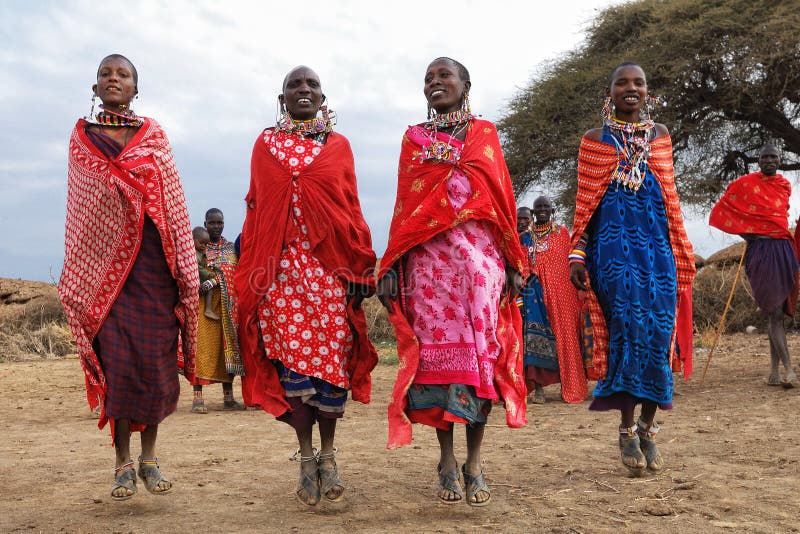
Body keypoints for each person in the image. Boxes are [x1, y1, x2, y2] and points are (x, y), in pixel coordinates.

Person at [377, 57, 529, 506]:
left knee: (480, 363)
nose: (435, 83)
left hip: (481, 268)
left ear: (466, 85)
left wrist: (515, 263)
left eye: (444, 76)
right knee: (438, 367)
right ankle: (446, 459)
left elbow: (503, 199)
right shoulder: (414, 140)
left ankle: (475, 462)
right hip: (429, 271)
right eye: (428, 78)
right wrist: (389, 266)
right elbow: (405, 208)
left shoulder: (485, 134)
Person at [234, 66, 378, 506]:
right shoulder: (265, 146)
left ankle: (329, 454)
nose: (303, 90)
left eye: (311, 85)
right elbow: (258, 209)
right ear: (282, 99)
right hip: (279, 277)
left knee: (330, 368)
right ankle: (305, 457)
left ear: (322, 97)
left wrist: (360, 268)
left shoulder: (339, 147)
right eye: (295, 85)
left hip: (330, 275)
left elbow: (350, 207)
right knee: (293, 370)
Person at [58, 54, 199, 500]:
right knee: (118, 367)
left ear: (136, 88)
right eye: (105, 74)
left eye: (123, 74)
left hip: (155, 268)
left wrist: (184, 271)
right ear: (95, 86)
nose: (113, 79)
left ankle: (150, 459)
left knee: (156, 367)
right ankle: (122, 464)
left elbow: (172, 201)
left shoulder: (153, 136)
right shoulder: (82, 140)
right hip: (106, 279)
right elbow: (83, 210)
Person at [569, 62, 695, 476]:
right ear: (609, 91)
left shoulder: (660, 139)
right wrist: (577, 255)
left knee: (659, 338)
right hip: (613, 258)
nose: (631, 88)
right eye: (622, 83)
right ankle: (626, 430)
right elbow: (585, 207)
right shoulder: (594, 141)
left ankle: (647, 426)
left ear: (647, 91)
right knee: (627, 334)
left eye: (638, 83)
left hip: (658, 253)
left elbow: (671, 201)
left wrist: (682, 249)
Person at [709, 143, 800, 388]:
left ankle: (773, 371)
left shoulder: (784, 186)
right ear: (758, 161)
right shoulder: (746, 184)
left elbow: (779, 217)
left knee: (777, 313)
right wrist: (747, 234)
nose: (769, 160)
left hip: (783, 249)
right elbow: (722, 209)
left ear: (780, 161)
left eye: (774, 157)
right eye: (765, 157)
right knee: (775, 313)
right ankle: (789, 370)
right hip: (760, 252)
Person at [520, 196, 588, 405]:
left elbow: (572, 263)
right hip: (535, 293)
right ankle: (538, 388)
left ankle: (570, 386)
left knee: (566, 337)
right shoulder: (525, 238)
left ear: (552, 210)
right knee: (535, 335)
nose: (542, 210)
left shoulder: (563, 234)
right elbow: (521, 264)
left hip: (562, 293)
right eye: (538, 207)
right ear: (533, 212)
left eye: (545, 207)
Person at [192, 208, 246, 413]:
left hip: (227, 307)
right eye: (212, 223)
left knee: (227, 351)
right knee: (202, 350)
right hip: (203, 307)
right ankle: (198, 398)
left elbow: (236, 272)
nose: (216, 226)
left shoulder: (231, 248)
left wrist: (217, 280)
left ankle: (229, 398)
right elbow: (191, 271)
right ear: (205, 224)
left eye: (219, 223)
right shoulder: (198, 247)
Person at [193, 226, 220, 321]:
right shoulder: (194, 254)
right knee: (211, 283)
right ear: (193, 240)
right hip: (196, 283)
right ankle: (208, 310)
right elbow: (197, 267)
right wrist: (208, 273)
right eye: (201, 243)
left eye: (206, 244)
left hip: (197, 282)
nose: (204, 246)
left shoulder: (199, 252)